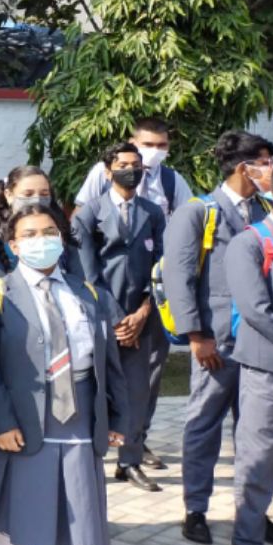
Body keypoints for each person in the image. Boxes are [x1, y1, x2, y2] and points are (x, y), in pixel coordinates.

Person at [0, 192, 113, 545]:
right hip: (20, 419)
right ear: (12, 244)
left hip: (78, 417)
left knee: (73, 515)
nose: (41, 241)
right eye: (29, 234)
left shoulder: (88, 293)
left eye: (50, 232)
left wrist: (121, 418)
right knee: (14, 511)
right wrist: (0, 422)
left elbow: (110, 364)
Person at [171, 133, 273, 545]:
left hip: (261, 343)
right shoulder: (199, 212)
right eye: (265, 162)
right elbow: (180, 278)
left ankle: (253, 513)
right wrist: (197, 337)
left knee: (256, 433)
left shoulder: (268, 210)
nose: (270, 170)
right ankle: (195, 508)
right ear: (243, 167)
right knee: (204, 423)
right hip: (217, 341)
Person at [79, 138, 172, 489]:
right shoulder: (90, 213)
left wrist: (144, 310)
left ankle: (129, 461)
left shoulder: (153, 212)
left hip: (144, 317)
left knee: (137, 391)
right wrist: (119, 318)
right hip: (103, 317)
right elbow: (89, 274)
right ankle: (91, 457)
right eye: (123, 165)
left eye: (137, 166)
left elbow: (162, 266)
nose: (131, 171)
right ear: (107, 171)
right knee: (96, 387)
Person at [212, 183, 273, 545]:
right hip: (267, 367)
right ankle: (245, 542)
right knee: (257, 458)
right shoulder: (251, 242)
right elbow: (256, 309)